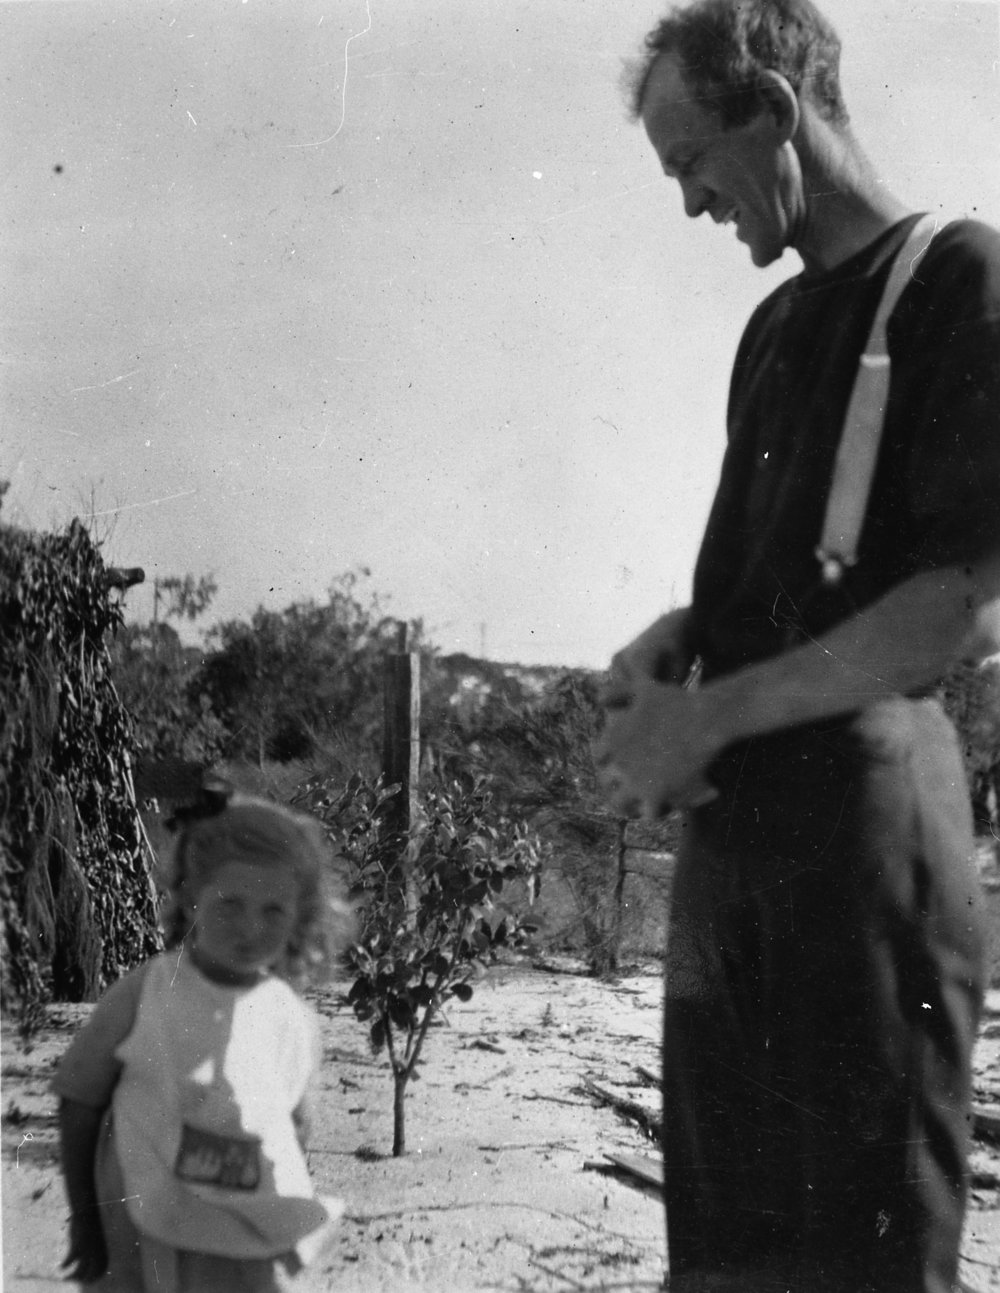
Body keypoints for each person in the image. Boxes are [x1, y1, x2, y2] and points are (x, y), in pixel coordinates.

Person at [595, 2, 1000, 1290]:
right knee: (720, 1259)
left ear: (771, 106)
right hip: (737, 848)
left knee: (866, 1258)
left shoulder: (961, 283)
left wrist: (712, 717)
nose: (689, 206)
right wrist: (671, 649)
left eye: (689, 163)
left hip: (870, 838)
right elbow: (769, 587)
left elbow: (953, 608)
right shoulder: (772, 331)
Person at [53, 785, 351, 1292]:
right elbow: (78, 1099)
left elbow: (295, 1133)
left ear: (300, 916)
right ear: (191, 898)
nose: (250, 929)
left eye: (274, 910)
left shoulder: (291, 1017)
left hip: (241, 1228)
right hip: (142, 1213)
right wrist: (84, 1217)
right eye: (229, 903)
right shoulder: (147, 991)